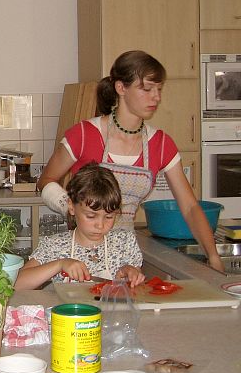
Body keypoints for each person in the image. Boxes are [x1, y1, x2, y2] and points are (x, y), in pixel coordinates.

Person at [38, 50, 224, 272]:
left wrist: (212, 256)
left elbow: (190, 207)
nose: (156, 97)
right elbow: (46, 179)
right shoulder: (84, 135)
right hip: (79, 250)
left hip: (124, 256)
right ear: (121, 88)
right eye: (146, 89)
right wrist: (67, 207)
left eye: (159, 89)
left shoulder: (161, 144)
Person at [15, 162, 145, 290]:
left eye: (109, 217)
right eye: (91, 216)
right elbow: (18, 284)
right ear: (71, 206)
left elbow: (135, 290)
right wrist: (60, 264)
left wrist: (128, 273)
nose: (100, 225)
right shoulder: (55, 245)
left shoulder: (124, 243)